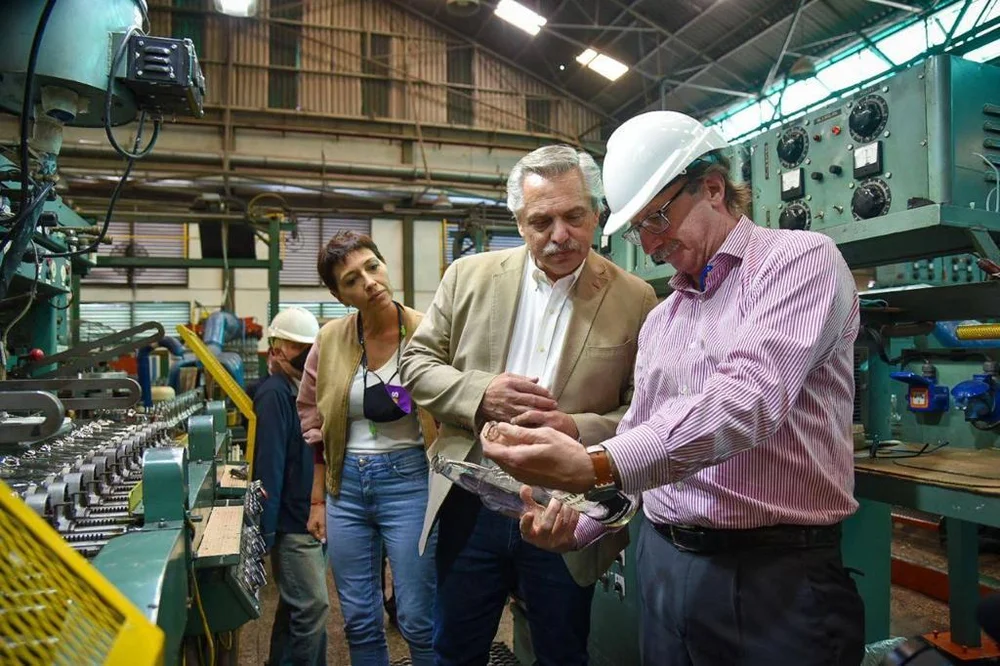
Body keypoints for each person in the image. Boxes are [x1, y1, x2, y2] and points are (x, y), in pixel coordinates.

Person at [480, 111, 866, 666]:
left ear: (712, 187)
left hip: (770, 572)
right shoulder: (665, 319)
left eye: (658, 218)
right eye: (639, 227)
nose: (652, 242)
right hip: (661, 564)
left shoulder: (798, 262)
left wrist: (593, 464)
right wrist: (581, 525)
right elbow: (642, 436)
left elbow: (745, 402)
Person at [400, 145, 657, 666]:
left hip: (567, 511)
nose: (560, 235)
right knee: (456, 647)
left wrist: (575, 426)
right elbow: (415, 366)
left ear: (597, 216)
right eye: (542, 221)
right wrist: (480, 394)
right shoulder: (467, 278)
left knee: (562, 649)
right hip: (470, 498)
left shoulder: (637, 299)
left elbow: (644, 413)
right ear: (519, 222)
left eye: (574, 217)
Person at [297, 231, 438, 666]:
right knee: (359, 618)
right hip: (346, 488)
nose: (369, 282)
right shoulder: (330, 340)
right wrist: (319, 498)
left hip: (411, 483)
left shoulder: (428, 331)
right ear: (341, 295)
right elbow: (314, 419)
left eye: (372, 267)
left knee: (417, 618)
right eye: (352, 279)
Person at [253, 306, 329, 666]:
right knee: (313, 608)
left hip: (310, 515)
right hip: (291, 523)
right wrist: (265, 533)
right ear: (277, 348)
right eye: (297, 347)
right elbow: (270, 465)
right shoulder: (274, 395)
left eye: (309, 347)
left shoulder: (303, 390)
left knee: (293, 608)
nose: (305, 355)